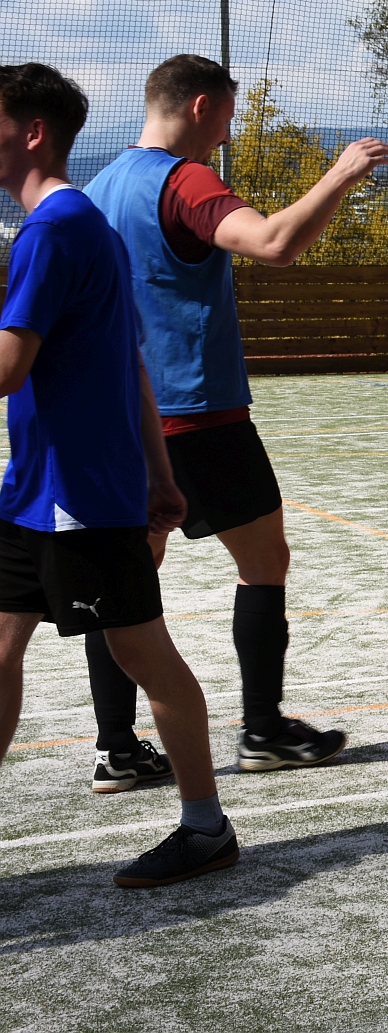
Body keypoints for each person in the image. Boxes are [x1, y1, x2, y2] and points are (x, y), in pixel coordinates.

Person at [86, 54, 388, 778]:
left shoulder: (97, 188)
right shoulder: (185, 180)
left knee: (126, 583)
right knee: (263, 562)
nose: (226, 134)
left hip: (118, 416)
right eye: (225, 116)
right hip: (198, 415)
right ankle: (262, 730)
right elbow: (274, 244)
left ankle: (117, 749)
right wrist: (340, 175)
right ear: (200, 106)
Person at [0, 62, 238, 887]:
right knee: (1, 644)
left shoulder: (54, 231)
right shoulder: (86, 224)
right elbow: (130, 361)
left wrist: (149, 476)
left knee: (146, 655)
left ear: (33, 132)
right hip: (36, 492)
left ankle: (206, 827)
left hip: (80, 496)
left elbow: (8, 367)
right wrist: (162, 475)